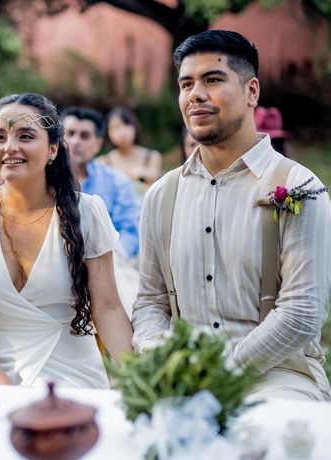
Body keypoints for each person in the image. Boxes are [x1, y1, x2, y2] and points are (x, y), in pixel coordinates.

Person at [132, 30, 331, 401]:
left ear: (252, 91)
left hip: (278, 377)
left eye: (213, 80)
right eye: (186, 84)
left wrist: (221, 372)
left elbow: (302, 312)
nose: (196, 95)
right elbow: (150, 302)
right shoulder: (162, 195)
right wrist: (160, 359)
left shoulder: (300, 187)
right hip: (185, 376)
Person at [0, 93, 133, 388]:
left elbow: (107, 308)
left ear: (52, 150)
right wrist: (1, 386)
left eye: (25, 136)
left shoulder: (88, 212)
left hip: (66, 365)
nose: (10, 147)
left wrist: (139, 377)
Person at [61, 106, 141, 318]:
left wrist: (104, 257)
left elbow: (130, 231)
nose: (76, 141)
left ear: (97, 144)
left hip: (108, 266)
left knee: (130, 300)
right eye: (70, 134)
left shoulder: (117, 182)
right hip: (56, 266)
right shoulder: (43, 183)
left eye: (84, 136)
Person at [99, 107, 162, 189]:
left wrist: (143, 173)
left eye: (126, 125)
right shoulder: (103, 162)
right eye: (115, 127)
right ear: (108, 133)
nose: (122, 132)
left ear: (135, 126)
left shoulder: (151, 157)